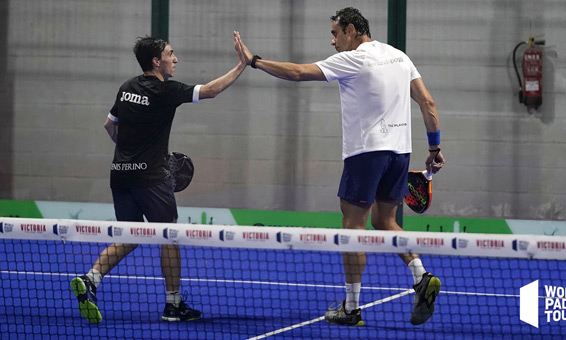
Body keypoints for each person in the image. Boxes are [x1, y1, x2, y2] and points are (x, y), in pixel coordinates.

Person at [237, 8, 445, 326]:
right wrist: (434, 148)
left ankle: (350, 308)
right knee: (386, 220)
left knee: (353, 228)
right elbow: (428, 103)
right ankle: (420, 274)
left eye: (335, 33)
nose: (332, 41)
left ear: (351, 30)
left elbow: (295, 73)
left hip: (365, 155)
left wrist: (255, 61)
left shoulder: (353, 59)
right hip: (400, 154)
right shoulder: (400, 57)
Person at [70, 32, 247, 323]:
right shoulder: (166, 91)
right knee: (169, 236)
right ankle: (173, 305)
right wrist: (241, 65)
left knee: (130, 234)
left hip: (120, 175)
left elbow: (108, 125)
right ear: (156, 61)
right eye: (170, 54)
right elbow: (212, 90)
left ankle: (91, 278)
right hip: (151, 179)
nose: (175, 59)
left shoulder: (126, 87)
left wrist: (130, 153)